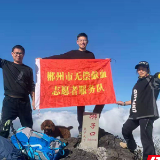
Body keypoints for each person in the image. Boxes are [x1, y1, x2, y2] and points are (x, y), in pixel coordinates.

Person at [43, 33, 105, 137]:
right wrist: (44, 60)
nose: (82, 42)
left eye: (84, 40)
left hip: (89, 85)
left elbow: (95, 68)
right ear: (77, 42)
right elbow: (59, 57)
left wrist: (105, 62)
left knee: (102, 99)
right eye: (80, 40)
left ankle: (91, 124)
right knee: (80, 107)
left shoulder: (91, 55)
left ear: (87, 42)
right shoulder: (72, 53)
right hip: (76, 85)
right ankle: (81, 129)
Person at [117, 61, 160, 160]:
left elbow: (158, 76)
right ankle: (131, 146)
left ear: (148, 69)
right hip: (135, 114)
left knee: (146, 140)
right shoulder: (138, 83)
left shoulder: (153, 80)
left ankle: (152, 159)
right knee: (125, 129)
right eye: (139, 69)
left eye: (143, 68)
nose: (141, 71)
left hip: (147, 114)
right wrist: (123, 103)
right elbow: (135, 99)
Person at [0, 45, 35, 138]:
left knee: (28, 129)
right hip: (9, 101)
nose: (18, 55)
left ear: (23, 55)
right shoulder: (5, 64)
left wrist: (34, 101)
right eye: (16, 53)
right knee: (4, 128)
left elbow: (31, 86)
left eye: (20, 53)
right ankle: (3, 150)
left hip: (24, 102)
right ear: (12, 54)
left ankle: (28, 150)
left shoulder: (28, 69)